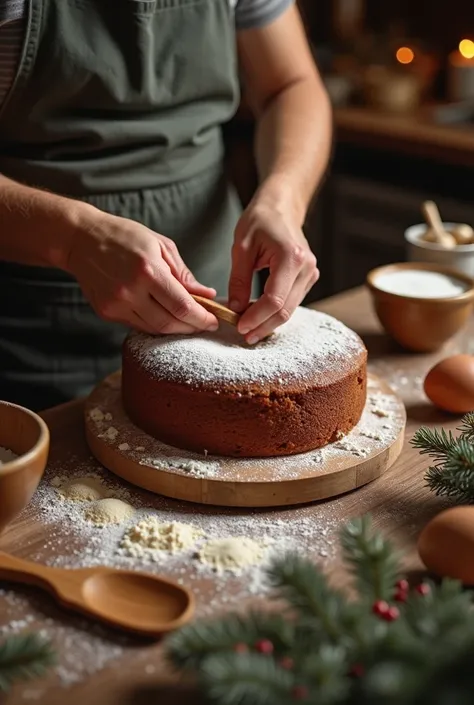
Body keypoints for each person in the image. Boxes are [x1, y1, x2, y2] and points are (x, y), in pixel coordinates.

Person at [0, 0, 331, 411]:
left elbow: (290, 84)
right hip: (29, 327)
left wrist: (283, 198)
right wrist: (72, 238)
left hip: (214, 279)